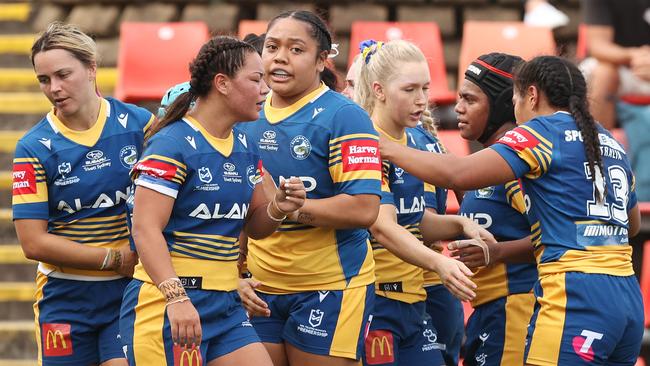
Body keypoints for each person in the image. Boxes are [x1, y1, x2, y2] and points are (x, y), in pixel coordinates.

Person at [380, 55, 642, 365]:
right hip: (627, 296)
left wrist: (384, 146)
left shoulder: (540, 131)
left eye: (516, 98)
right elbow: (632, 225)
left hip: (576, 294)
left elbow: (457, 174)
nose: (516, 110)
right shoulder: (606, 139)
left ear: (531, 95)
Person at [119, 36, 305, 366]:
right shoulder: (171, 145)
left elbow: (257, 226)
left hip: (226, 304)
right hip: (168, 302)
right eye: (255, 79)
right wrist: (176, 298)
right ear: (222, 83)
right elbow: (145, 229)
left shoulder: (246, 144)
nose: (266, 90)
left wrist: (279, 208)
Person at [236, 10, 382, 366]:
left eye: (296, 49)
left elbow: (364, 209)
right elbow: (235, 207)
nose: (280, 57)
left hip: (330, 287)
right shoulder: (244, 114)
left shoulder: (345, 116)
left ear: (321, 60)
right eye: (272, 47)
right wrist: (235, 274)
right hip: (260, 288)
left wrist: (290, 207)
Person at [12, 22, 153, 365]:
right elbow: (33, 243)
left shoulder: (139, 124)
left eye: (63, 74)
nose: (54, 88)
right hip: (65, 296)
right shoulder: (32, 147)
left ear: (91, 68)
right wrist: (114, 258)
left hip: (128, 292)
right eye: (44, 80)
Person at [353, 39, 493, 366]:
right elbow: (383, 226)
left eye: (426, 89)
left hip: (415, 302)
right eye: (409, 89)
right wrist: (440, 263)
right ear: (379, 90)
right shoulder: (365, 143)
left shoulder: (415, 141)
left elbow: (414, 219)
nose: (421, 100)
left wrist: (461, 224)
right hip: (376, 303)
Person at [447, 52, 539, 366]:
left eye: (470, 100)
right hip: (488, 309)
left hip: (515, 309)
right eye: (458, 98)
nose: (458, 108)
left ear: (502, 105)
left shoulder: (517, 167)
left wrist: (496, 253)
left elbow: (558, 237)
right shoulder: (486, 167)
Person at [580, 0, 650, 129]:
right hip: (625, 68)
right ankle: (597, 145)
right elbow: (597, 46)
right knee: (602, 74)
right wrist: (634, 55)